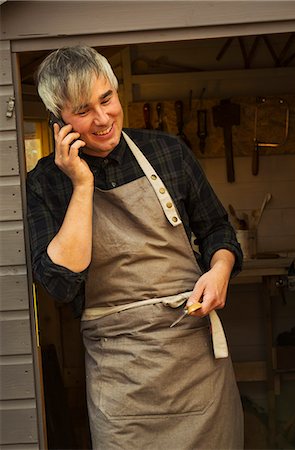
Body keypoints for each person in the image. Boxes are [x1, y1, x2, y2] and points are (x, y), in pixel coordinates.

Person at [27, 45, 244, 449]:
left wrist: (219, 270)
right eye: (83, 110)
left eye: (106, 99)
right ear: (59, 121)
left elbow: (218, 230)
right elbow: (60, 284)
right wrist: (82, 185)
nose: (103, 118)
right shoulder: (45, 183)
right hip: (120, 378)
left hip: (195, 366)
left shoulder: (168, 153)